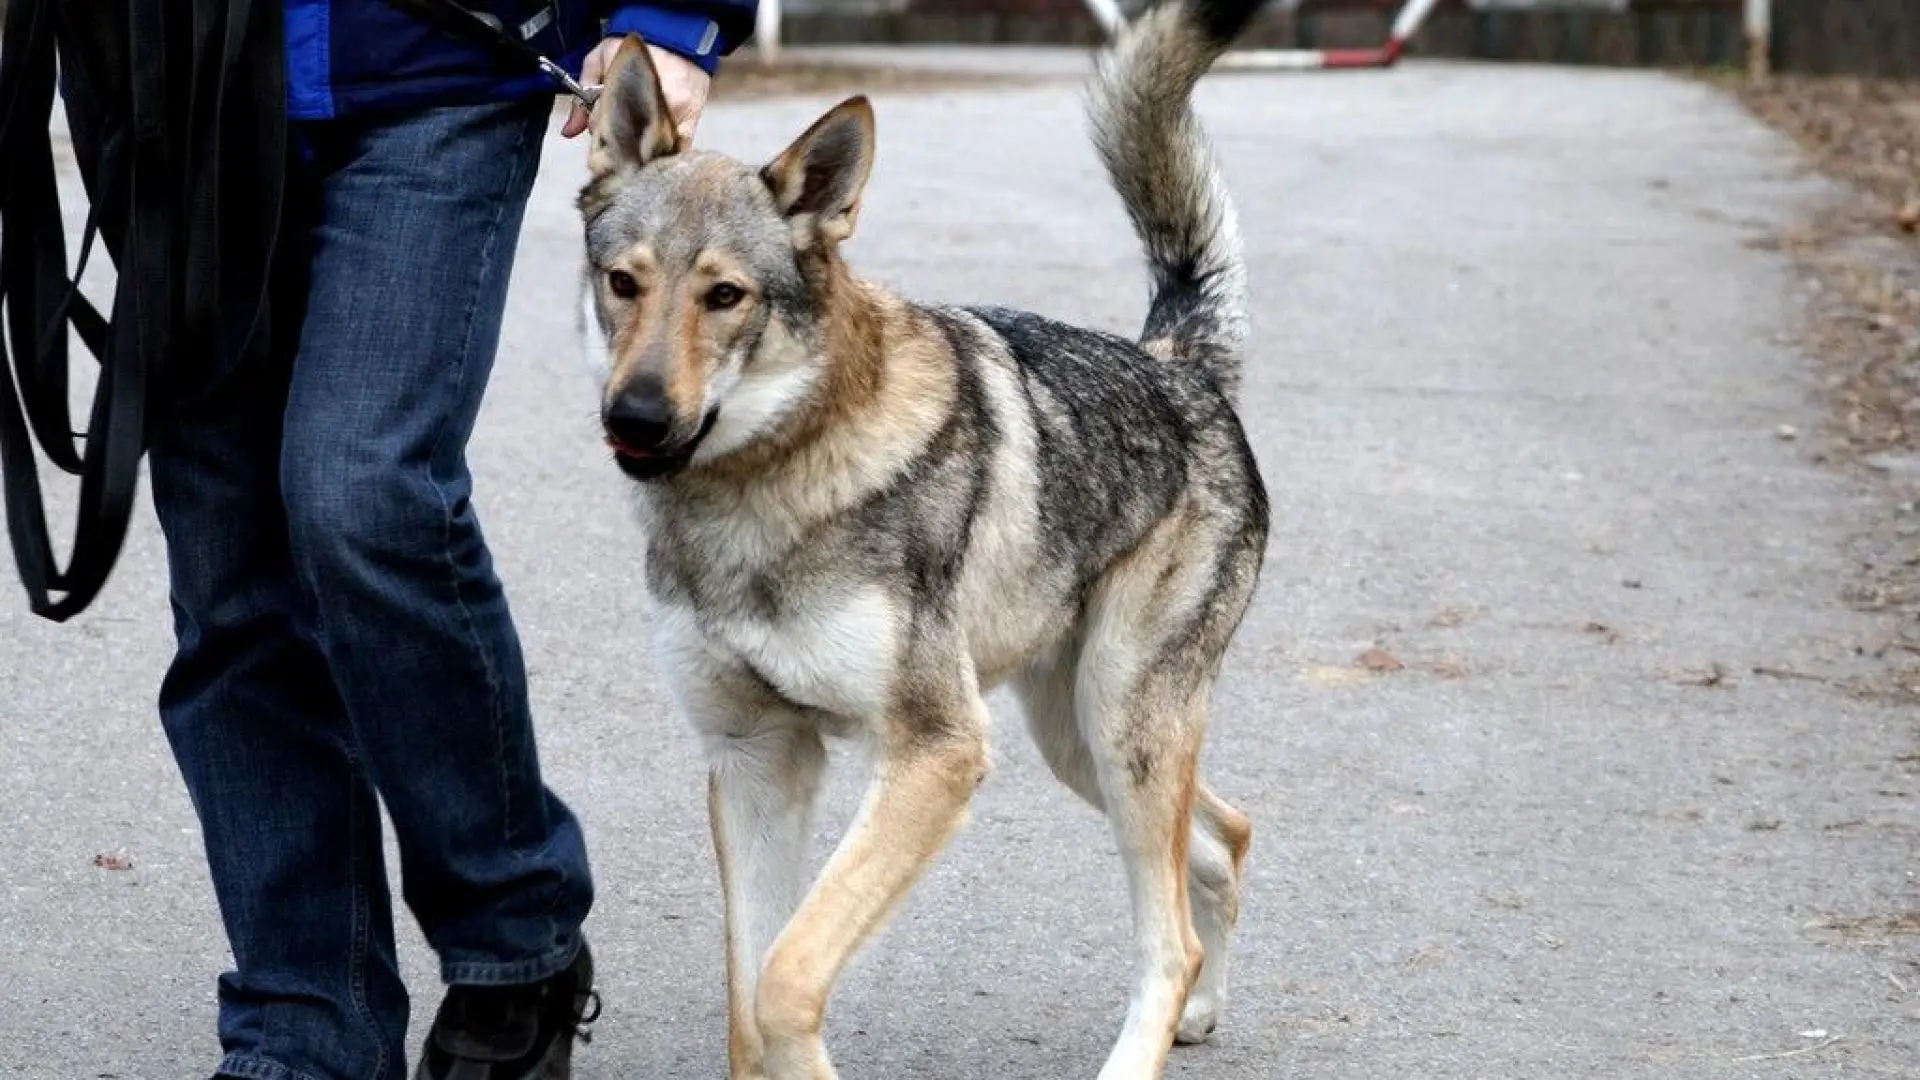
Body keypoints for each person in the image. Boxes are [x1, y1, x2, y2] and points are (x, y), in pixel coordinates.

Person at [136, 2, 755, 1078]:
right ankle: (304, 1020)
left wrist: (671, 12)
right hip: (176, 79)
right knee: (227, 565)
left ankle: (514, 940)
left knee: (361, 490)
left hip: (445, 53)